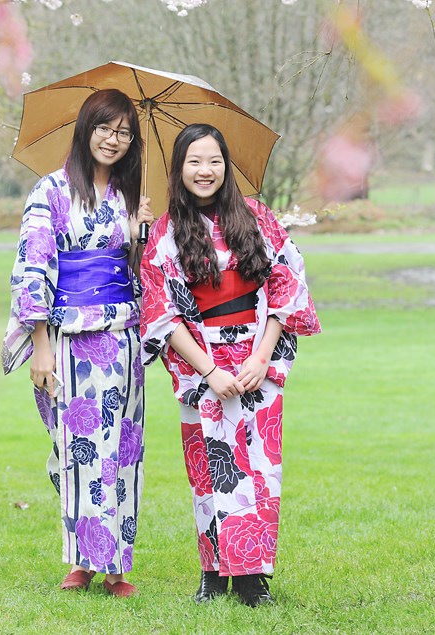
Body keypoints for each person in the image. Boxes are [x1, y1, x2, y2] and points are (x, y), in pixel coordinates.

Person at [139, 123, 321, 607]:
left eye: (214, 160)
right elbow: (162, 313)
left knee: (260, 469)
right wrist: (208, 371)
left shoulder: (257, 217)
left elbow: (287, 285)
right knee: (208, 469)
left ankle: (252, 577)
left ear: (226, 165)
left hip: (256, 357)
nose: (205, 170)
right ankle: (213, 572)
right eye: (194, 161)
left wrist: (262, 356)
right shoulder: (165, 232)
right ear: (179, 169)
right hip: (201, 362)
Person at [2, 89, 154, 598]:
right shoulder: (49, 191)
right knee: (77, 448)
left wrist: (138, 237)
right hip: (69, 338)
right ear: (86, 129)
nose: (113, 140)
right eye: (105, 128)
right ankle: (81, 560)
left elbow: (140, 276)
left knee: (123, 450)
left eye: (124, 132)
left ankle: (116, 567)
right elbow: (35, 264)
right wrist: (40, 345)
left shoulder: (131, 197)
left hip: (122, 339)